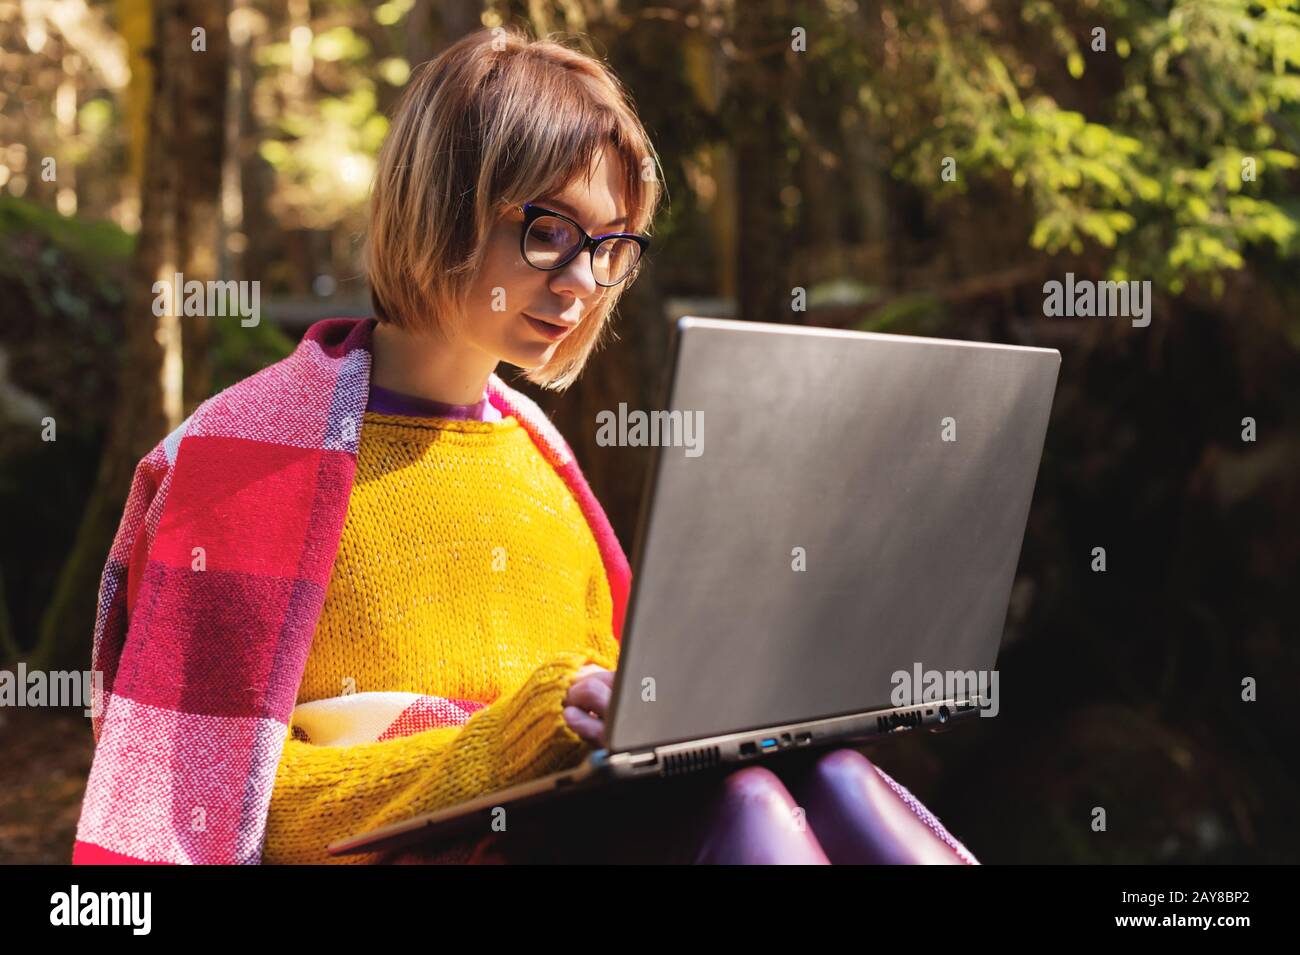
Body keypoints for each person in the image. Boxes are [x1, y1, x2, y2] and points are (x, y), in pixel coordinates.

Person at [73, 26, 977, 866]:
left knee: (831, 778)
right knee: (751, 811)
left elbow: (618, 739)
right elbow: (212, 815)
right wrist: (507, 741)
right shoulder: (244, 463)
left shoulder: (542, 467)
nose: (583, 282)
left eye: (612, 247)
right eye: (548, 231)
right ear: (440, 204)